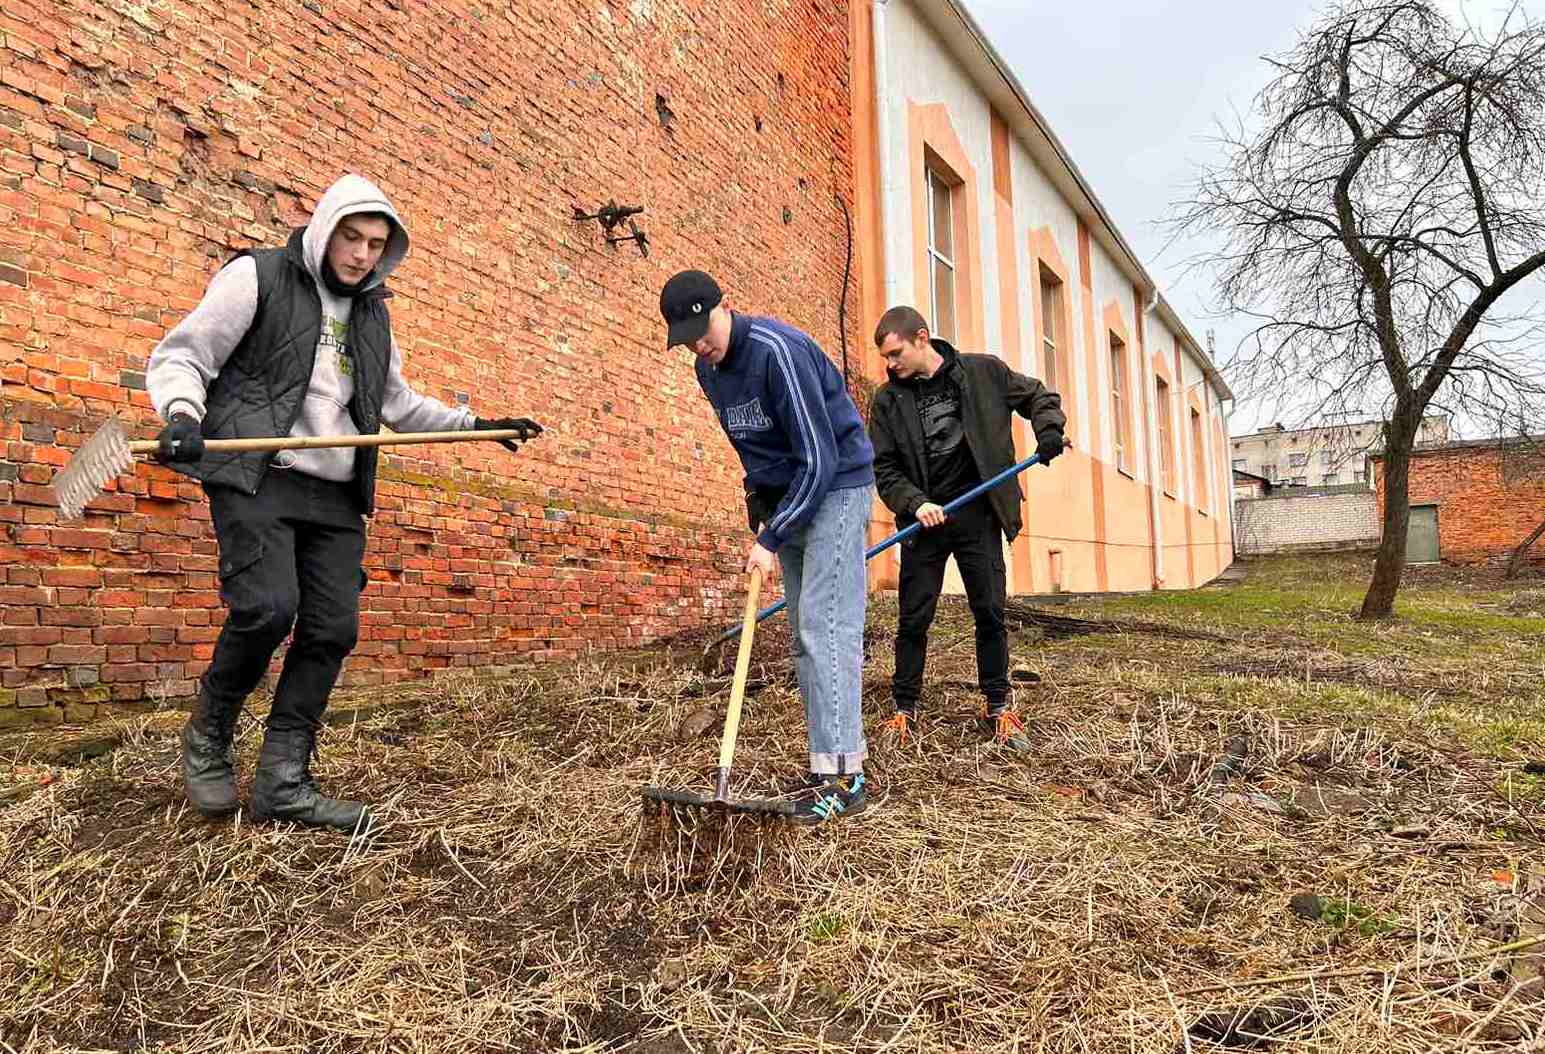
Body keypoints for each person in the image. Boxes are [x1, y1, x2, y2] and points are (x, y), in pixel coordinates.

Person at [146, 173, 541, 832]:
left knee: (332, 629)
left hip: (333, 492)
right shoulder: (259, 278)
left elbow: (395, 405)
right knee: (268, 607)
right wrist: (183, 415)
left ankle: (283, 781)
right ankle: (209, 739)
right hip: (257, 473)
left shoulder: (371, 313)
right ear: (326, 229)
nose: (360, 254)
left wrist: (477, 426)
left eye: (375, 244)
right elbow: (184, 357)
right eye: (351, 238)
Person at [660, 270, 874, 824]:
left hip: (838, 486)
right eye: (687, 339)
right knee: (807, 631)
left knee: (824, 626)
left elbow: (820, 457)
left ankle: (846, 776)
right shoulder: (708, 374)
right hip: (790, 493)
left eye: (702, 329)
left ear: (723, 307)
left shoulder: (777, 352)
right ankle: (825, 760)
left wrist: (772, 537)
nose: (700, 346)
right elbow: (751, 445)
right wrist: (761, 502)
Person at [867, 306, 1065, 750]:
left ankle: (998, 704)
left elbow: (1038, 396)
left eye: (896, 353)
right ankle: (904, 708)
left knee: (990, 611)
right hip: (924, 523)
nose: (890, 364)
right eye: (886, 357)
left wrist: (1048, 431)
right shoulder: (887, 400)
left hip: (978, 513)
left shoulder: (982, 372)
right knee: (914, 616)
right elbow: (885, 467)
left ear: (922, 338)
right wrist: (915, 504)